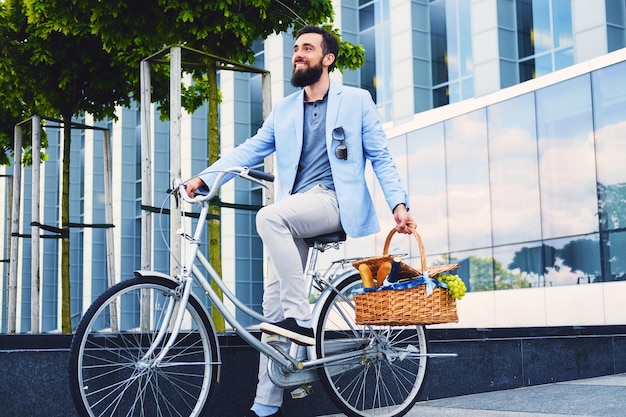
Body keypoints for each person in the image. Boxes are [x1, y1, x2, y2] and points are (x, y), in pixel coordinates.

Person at [184, 25, 416, 417]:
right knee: (272, 310)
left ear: (328, 59)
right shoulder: (286, 109)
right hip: (297, 209)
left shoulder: (357, 101)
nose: (298, 54)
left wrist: (399, 204)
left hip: (333, 202)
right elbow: (252, 148)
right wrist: (207, 175)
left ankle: (304, 323)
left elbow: (381, 157)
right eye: (295, 48)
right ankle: (264, 404)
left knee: (268, 218)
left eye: (307, 48)